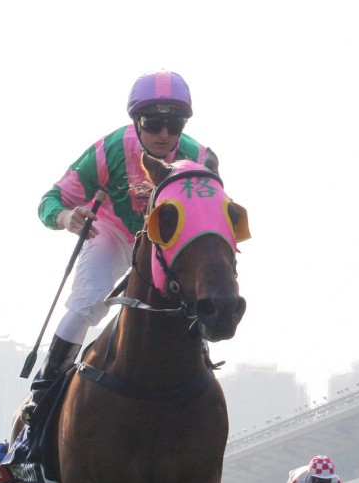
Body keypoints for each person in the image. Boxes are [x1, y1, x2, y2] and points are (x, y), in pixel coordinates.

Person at [27, 70, 219, 413]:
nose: (163, 134)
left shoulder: (200, 159)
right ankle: (43, 393)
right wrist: (65, 217)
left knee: (198, 293)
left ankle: (201, 367)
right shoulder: (109, 150)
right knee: (87, 300)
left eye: (174, 124)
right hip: (113, 234)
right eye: (152, 121)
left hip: (164, 240)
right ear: (136, 120)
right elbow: (49, 200)